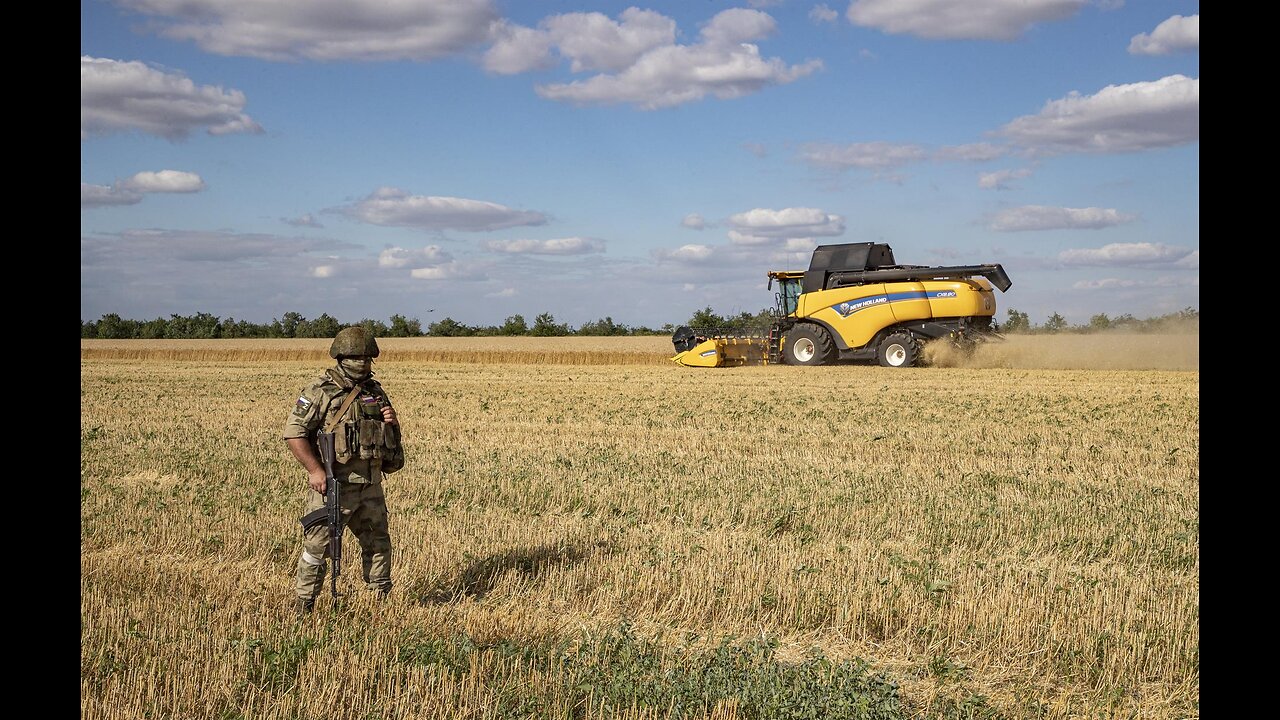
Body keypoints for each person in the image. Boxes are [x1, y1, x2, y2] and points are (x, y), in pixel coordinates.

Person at [283, 326, 404, 615]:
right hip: (335, 484)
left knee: (378, 544)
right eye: (355, 356)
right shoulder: (320, 390)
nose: (362, 362)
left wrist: (392, 422)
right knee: (318, 548)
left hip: (370, 484)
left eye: (366, 357)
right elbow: (294, 433)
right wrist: (315, 471)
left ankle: (380, 601)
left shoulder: (375, 392)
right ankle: (304, 605)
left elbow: (389, 442)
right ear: (341, 357)